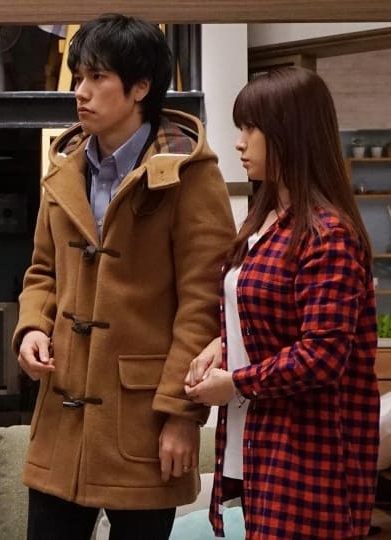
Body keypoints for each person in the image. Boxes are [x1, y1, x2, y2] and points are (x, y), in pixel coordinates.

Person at [14, 13, 236, 540]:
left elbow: (204, 303)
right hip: (62, 417)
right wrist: (32, 328)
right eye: (78, 78)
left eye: (97, 77)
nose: (80, 92)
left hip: (144, 421)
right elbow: (43, 271)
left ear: (140, 87)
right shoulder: (64, 170)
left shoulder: (189, 175)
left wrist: (182, 415)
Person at [184, 66, 379, 539]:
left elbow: (322, 354)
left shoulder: (328, 235)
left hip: (306, 454)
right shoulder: (266, 218)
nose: (239, 143)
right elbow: (266, 318)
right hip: (259, 440)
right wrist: (221, 344)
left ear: (291, 133)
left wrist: (235, 383)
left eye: (252, 128)